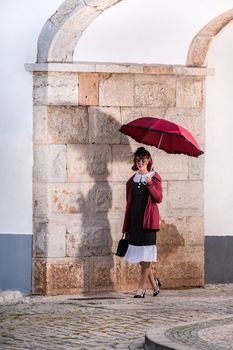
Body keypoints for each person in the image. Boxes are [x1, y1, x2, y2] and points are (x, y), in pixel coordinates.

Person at [122, 147, 163, 298]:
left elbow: (158, 198)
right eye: (138, 160)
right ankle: (154, 285)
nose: (140, 163)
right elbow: (129, 203)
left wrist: (150, 184)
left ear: (148, 161)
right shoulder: (132, 180)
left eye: (143, 161)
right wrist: (126, 225)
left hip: (149, 223)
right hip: (135, 222)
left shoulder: (154, 177)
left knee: (146, 256)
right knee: (141, 256)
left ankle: (141, 288)